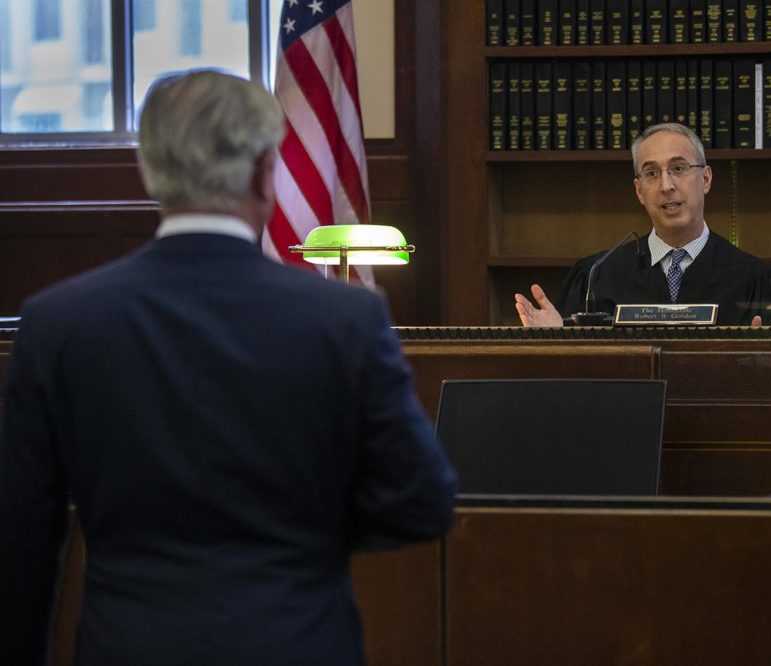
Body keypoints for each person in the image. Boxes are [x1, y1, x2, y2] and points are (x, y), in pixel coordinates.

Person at [0, 70, 457, 665]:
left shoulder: (58, 323)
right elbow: (421, 502)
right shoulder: (346, 320)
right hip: (296, 640)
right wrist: (304, 540)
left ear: (149, 172)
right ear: (268, 173)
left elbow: (20, 541)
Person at [515, 123, 771, 327]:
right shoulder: (596, 276)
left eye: (679, 168)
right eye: (651, 174)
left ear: (706, 178)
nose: (666, 185)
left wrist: (767, 357)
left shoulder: (759, 282)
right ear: (638, 191)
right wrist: (554, 340)